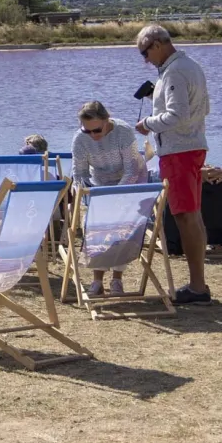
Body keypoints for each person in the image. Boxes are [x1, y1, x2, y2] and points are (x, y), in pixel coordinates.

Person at [134, 25, 213, 305]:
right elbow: (201, 108)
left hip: (179, 151)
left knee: (185, 215)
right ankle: (198, 283)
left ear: (157, 44)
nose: (146, 60)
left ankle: (197, 286)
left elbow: (177, 115)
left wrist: (147, 123)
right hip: (190, 147)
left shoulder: (175, 71)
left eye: (145, 53)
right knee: (192, 214)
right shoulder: (187, 65)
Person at [71, 100, 148, 296]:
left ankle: (117, 280)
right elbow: (79, 173)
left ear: (107, 120)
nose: (92, 135)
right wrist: (87, 191)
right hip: (101, 184)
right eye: (87, 131)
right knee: (99, 228)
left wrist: (116, 195)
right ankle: (97, 281)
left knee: (122, 230)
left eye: (96, 130)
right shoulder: (80, 139)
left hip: (131, 180)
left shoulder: (123, 132)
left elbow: (132, 169)